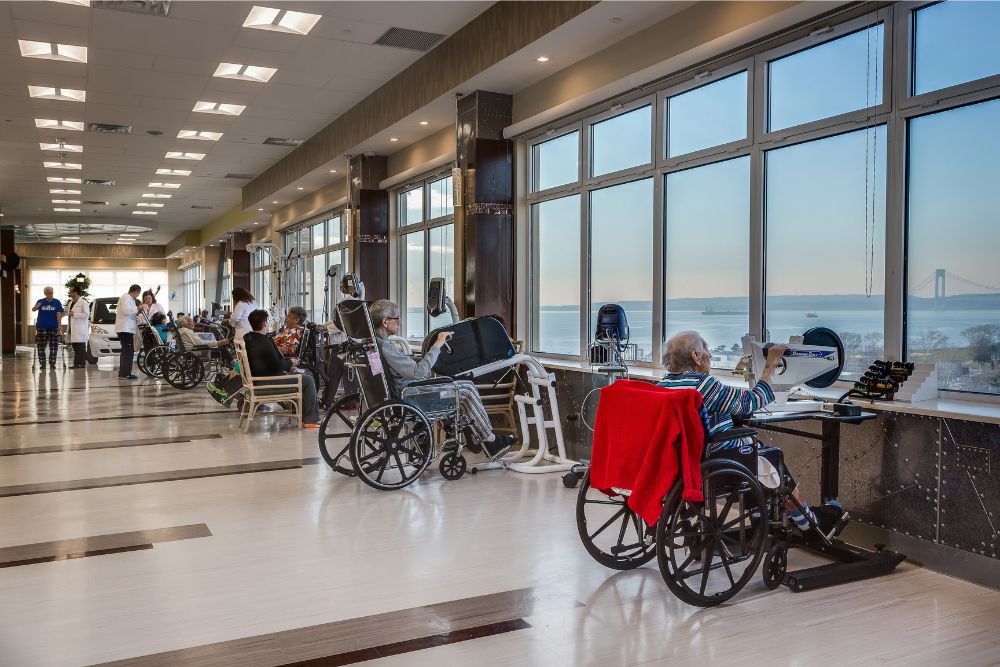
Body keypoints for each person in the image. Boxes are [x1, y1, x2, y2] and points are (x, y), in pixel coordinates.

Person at [658, 331, 846, 535]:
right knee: (770, 455)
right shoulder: (704, 385)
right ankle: (808, 521)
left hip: (683, 462)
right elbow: (752, 402)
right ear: (696, 356)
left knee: (749, 444)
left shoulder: (663, 386)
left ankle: (761, 517)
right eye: (706, 349)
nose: (710, 355)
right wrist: (770, 367)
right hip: (714, 461)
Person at [369, 299, 514, 460]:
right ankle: (490, 440)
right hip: (412, 397)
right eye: (397, 318)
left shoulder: (376, 344)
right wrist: (438, 344)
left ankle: (474, 437)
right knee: (466, 388)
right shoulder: (386, 347)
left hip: (406, 393)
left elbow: (405, 368)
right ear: (385, 321)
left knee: (453, 386)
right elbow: (418, 372)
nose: (399, 322)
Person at [243, 309, 320, 427]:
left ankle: (300, 413)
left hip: (256, 380)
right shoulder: (265, 341)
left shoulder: (248, 338)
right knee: (308, 379)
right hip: (266, 382)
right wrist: (290, 363)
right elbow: (277, 365)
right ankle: (310, 421)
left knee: (299, 376)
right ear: (264, 324)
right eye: (267, 321)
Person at [32, 286, 64, 370]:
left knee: (54, 346)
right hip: (41, 327)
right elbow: (33, 309)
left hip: (53, 327)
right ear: (45, 293)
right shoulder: (40, 301)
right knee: (41, 346)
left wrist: (59, 325)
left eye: (52, 292)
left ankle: (52, 363)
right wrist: (37, 306)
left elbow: (59, 314)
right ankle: (42, 363)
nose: (51, 294)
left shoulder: (56, 302)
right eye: (49, 293)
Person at [115, 284, 141, 380]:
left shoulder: (128, 298)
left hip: (126, 329)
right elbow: (126, 311)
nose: (137, 296)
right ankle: (125, 373)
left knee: (126, 351)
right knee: (128, 352)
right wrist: (138, 308)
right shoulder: (126, 297)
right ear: (135, 292)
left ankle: (123, 373)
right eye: (137, 294)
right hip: (125, 329)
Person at [67, 285, 90, 369]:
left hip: (79, 329)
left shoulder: (83, 302)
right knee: (75, 347)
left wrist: (74, 314)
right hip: (73, 328)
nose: (69, 293)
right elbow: (65, 311)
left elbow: (86, 314)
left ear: (75, 292)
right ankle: (77, 364)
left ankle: (81, 363)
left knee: (80, 347)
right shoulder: (71, 302)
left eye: (70, 291)